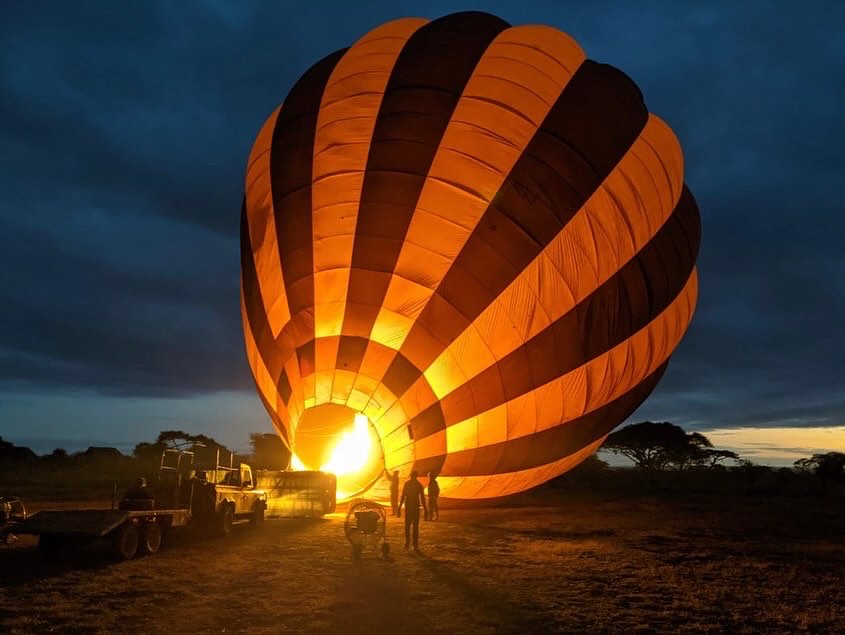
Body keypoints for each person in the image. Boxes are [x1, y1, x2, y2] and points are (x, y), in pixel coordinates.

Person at [398, 470, 427, 550]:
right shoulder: (419, 485)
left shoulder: (407, 484)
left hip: (409, 506)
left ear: (410, 476)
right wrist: (425, 509)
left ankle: (408, 543)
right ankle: (414, 544)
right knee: (415, 526)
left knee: (408, 525)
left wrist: (399, 507)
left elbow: (403, 496)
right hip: (415, 507)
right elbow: (422, 498)